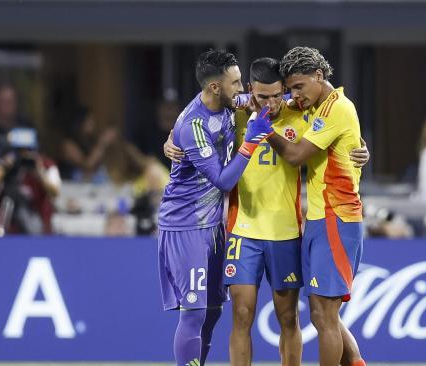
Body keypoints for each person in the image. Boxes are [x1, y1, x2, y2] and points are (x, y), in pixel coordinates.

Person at [164, 57, 370, 365]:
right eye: (263, 97)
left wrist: (362, 148)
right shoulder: (237, 112)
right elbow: (195, 119)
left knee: (288, 318)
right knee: (242, 315)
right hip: (243, 231)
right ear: (250, 91)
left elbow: (339, 128)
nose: (271, 103)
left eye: (278, 95)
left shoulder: (298, 109)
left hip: (286, 231)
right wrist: (169, 139)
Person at [156, 50, 273, 366]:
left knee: (213, 309)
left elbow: (268, 100)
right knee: (193, 311)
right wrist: (250, 143)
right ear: (215, 88)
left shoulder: (226, 101)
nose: (241, 89)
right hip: (186, 226)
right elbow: (223, 181)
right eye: (235, 83)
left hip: (212, 224)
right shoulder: (194, 126)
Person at [258, 46, 366, 366]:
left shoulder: (336, 108)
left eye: (299, 86)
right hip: (318, 219)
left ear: (319, 77)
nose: (295, 95)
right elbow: (260, 102)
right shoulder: (314, 106)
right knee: (322, 314)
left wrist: (263, 130)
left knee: (324, 314)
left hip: (338, 218)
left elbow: (294, 155)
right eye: (291, 88)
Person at [0, 127, 61, 235]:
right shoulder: (2, 166)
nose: (22, 155)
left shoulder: (46, 165)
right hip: (8, 228)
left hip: (39, 228)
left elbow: (55, 192)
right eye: (18, 151)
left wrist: (39, 173)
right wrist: (2, 173)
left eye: (27, 150)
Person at [59, 106, 117, 183]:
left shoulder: (89, 141)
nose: (93, 123)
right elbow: (87, 165)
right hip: (72, 185)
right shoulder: (68, 144)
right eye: (89, 120)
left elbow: (102, 165)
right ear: (80, 122)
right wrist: (102, 143)